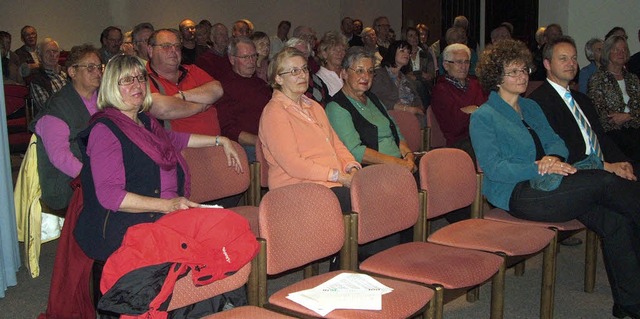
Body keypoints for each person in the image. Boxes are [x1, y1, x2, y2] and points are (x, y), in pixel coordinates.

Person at [470, 38, 640, 319]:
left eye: (524, 70)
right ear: (495, 78)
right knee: (603, 181)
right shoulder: (485, 116)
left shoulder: (531, 107)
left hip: (552, 184)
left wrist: (554, 158)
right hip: (519, 194)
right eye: (513, 72)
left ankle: (629, 303)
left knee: (616, 222)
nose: (522, 76)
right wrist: (539, 166)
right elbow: (496, 168)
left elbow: (556, 142)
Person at [71, 55, 242, 314]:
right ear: (110, 87)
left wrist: (219, 140)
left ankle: (218, 302)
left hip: (162, 214)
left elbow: (174, 139)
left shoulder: (145, 121)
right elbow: (110, 196)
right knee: (215, 234)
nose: (137, 85)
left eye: (140, 78)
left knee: (225, 229)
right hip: (128, 222)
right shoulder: (105, 130)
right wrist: (168, 205)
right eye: (126, 80)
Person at [258, 47, 360, 212]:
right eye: (294, 71)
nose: (302, 75)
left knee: (379, 194)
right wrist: (338, 176)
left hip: (332, 183)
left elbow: (336, 144)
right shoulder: (274, 113)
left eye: (304, 69)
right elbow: (293, 164)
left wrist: (351, 167)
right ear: (278, 79)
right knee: (363, 203)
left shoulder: (313, 106)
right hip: (297, 188)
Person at [30, 44, 103, 210]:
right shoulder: (58, 108)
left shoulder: (102, 100)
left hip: (99, 172)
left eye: (99, 67)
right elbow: (60, 157)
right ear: (72, 72)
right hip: (67, 183)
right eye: (90, 67)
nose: (98, 72)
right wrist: (97, 177)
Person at [326, 46, 415, 172]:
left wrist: (408, 156)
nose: (366, 76)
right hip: (372, 173)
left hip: (400, 166)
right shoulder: (336, 107)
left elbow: (396, 132)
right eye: (359, 71)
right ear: (344, 73)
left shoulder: (373, 98)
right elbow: (355, 151)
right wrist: (397, 163)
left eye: (370, 71)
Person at [146, 29, 223, 137]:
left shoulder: (192, 70)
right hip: (178, 149)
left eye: (177, 46)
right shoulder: (142, 78)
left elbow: (217, 90)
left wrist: (181, 96)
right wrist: (201, 106)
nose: (174, 50)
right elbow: (161, 108)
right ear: (150, 50)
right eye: (166, 46)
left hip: (214, 144)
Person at [216, 36, 272, 162]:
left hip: (269, 140)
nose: (251, 61)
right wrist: (261, 142)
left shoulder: (261, 84)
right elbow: (229, 130)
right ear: (232, 59)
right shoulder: (223, 86)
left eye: (254, 56)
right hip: (245, 146)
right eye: (246, 57)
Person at [588, 35, 640, 161]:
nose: (621, 53)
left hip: (635, 125)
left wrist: (629, 116)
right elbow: (599, 111)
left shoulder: (633, 79)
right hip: (612, 130)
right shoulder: (598, 78)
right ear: (607, 52)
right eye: (616, 49)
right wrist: (621, 118)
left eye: (624, 50)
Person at [431, 43, 487, 156]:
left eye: (466, 62)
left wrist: (472, 111)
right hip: (460, 142)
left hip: (485, 134)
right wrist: (480, 110)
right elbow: (456, 125)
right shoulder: (440, 90)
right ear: (446, 65)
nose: (464, 66)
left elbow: (490, 111)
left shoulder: (477, 84)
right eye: (458, 62)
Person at [370, 40, 425, 127]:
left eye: (408, 52)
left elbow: (417, 100)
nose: (407, 54)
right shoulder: (379, 74)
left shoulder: (407, 79)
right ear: (392, 53)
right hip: (390, 118)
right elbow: (375, 99)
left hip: (412, 118)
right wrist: (405, 109)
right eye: (402, 51)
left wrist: (417, 109)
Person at [29, 38, 68, 113]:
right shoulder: (37, 80)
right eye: (47, 52)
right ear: (39, 57)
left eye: (55, 51)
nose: (52, 55)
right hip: (56, 119)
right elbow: (47, 108)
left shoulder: (68, 73)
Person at [405, 26, 436, 106]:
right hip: (407, 86)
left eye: (416, 35)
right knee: (416, 84)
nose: (414, 38)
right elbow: (404, 74)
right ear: (406, 38)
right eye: (411, 36)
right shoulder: (403, 54)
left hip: (425, 86)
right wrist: (421, 74)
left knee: (419, 84)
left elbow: (431, 75)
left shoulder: (425, 54)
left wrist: (416, 75)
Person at [316, 31, 347, 97]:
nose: (340, 53)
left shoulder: (348, 72)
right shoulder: (320, 78)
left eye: (342, 50)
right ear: (324, 54)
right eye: (335, 50)